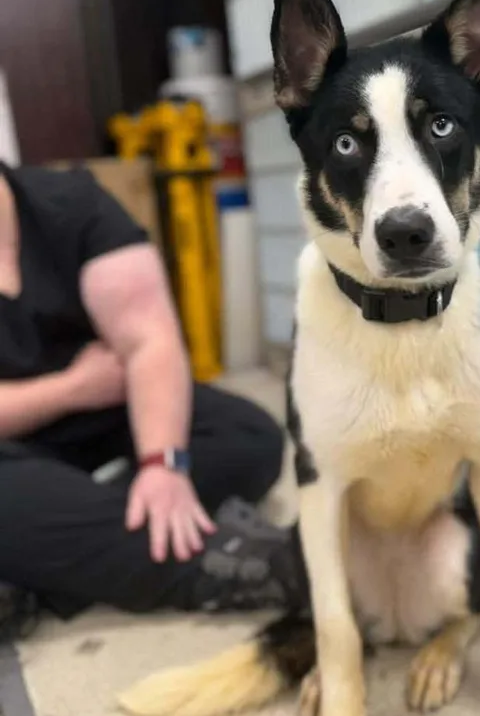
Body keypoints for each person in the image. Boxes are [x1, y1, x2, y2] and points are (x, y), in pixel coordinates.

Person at [0, 160, 301, 640]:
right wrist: (73, 389)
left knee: (248, 438)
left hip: (109, 416)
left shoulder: (72, 204)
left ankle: (41, 565)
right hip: (16, 445)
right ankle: (228, 568)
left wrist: (163, 464)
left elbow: (149, 339)